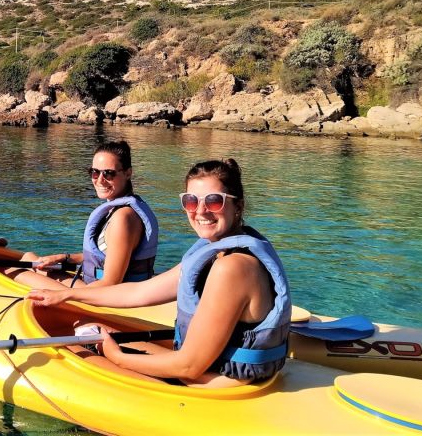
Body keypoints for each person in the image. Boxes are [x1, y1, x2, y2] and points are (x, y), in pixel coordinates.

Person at [28, 159, 291, 388]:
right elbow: (139, 292)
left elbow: (189, 367)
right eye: (191, 201)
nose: (200, 211)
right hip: (216, 368)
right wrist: (66, 296)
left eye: (214, 201)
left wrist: (116, 356)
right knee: (89, 329)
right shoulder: (218, 251)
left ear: (238, 206)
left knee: (73, 347)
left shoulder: (232, 267)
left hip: (219, 382)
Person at [12, 140, 159, 289]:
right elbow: (109, 257)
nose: (100, 180)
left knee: (16, 271)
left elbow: (110, 284)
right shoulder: (121, 209)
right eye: (95, 172)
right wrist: (65, 258)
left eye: (109, 173)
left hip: (106, 297)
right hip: (99, 287)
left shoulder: (123, 218)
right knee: (30, 257)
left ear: (128, 173)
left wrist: (64, 295)